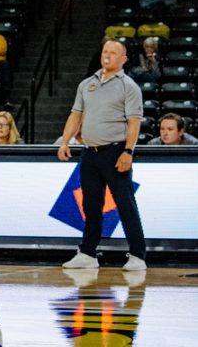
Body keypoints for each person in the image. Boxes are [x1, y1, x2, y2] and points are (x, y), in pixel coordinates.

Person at [58, 39, 146, 271]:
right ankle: (88, 253)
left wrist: (128, 151)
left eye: (113, 52)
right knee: (90, 204)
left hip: (116, 151)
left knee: (125, 203)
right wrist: (65, 141)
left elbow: (134, 123)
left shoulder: (129, 86)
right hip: (89, 153)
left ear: (123, 59)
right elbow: (75, 115)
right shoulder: (87, 84)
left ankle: (138, 255)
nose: (107, 55)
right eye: (105, 51)